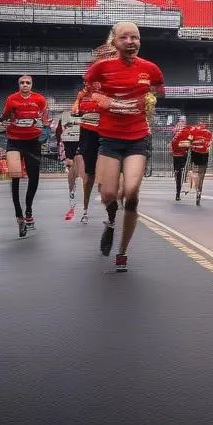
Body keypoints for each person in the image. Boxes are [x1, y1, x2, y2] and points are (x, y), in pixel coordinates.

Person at [85, 22, 165, 272]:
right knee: (109, 194)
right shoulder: (101, 68)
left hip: (137, 139)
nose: (131, 42)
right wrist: (102, 99)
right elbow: (88, 90)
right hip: (109, 139)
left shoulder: (149, 68)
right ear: (115, 43)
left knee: (131, 195)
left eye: (135, 37)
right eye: (125, 38)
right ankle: (110, 221)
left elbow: (160, 89)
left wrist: (151, 98)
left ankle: (122, 251)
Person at [0, 75, 51, 237]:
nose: (25, 85)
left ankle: (29, 209)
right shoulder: (11, 99)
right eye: (22, 83)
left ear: (31, 85)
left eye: (27, 83)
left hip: (33, 142)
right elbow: (5, 117)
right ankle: (19, 216)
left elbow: (46, 119)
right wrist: (2, 121)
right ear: (18, 85)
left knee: (34, 178)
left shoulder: (40, 99)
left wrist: (46, 129)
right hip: (14, 141)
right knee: (15, 175)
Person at [74, 82, 102, 224]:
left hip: (105, 135)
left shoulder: (107, 93)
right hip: (87, 137)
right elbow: (74, 112)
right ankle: (85, 209)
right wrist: (79, 99)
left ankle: (113, 207)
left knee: (109, 170)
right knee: (89, 175)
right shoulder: (82, 96)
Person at [58, 102, 84, 221]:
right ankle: (72, 200)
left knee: (83, 173)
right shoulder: (65, 120)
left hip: (84, 145)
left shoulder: (87, 118)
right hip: (70, 147)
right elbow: (59, 135)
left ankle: (83, 206)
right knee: (72, 169)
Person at [187, 121, 213, 206]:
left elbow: (189, 141)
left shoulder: (193, 130)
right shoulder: (208, 132)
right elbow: (210, 144)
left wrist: (192, 146)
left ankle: (197, 190)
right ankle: (199, 192)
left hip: (195, 153)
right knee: (202, 174)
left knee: (196, 172)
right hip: (204, 154)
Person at [170, 120, 193, 201]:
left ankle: (178, 192)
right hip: (182, 155)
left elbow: (172, 145)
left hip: (177, 155)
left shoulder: (176, 135)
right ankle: (182, 175)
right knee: (180, 172)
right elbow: (190, 143)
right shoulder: (186, 133)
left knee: (178, 173)